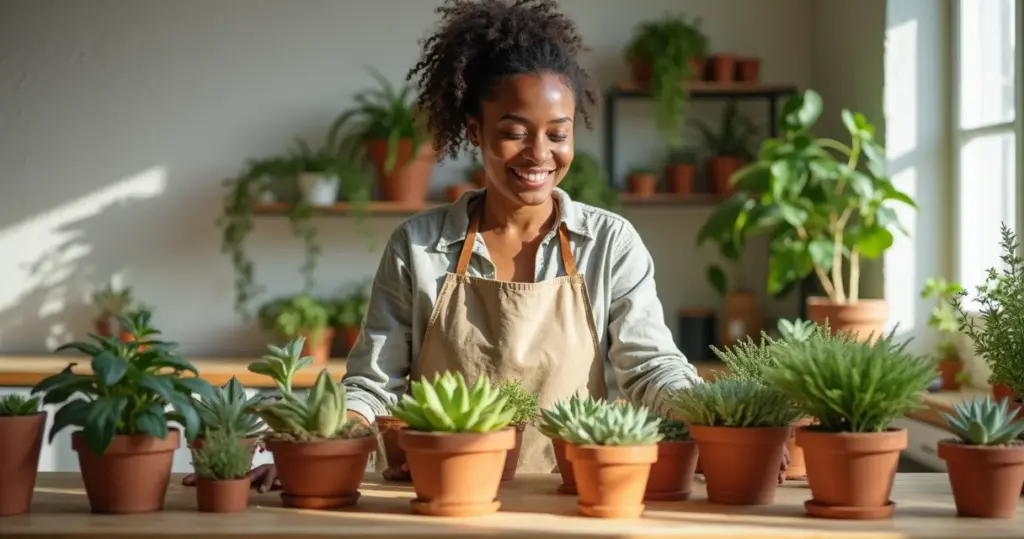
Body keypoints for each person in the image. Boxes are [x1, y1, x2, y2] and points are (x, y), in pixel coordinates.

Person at [186, 0, 783, 492]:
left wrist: (727, 421)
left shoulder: (609, 242)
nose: (539, 155)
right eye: (514, 132)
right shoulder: (418, 245)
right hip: (438, 491)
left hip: (570, 496)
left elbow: (651, 368)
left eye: (558, 133)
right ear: (475, 132)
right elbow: (373, 385)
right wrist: (307, 448)